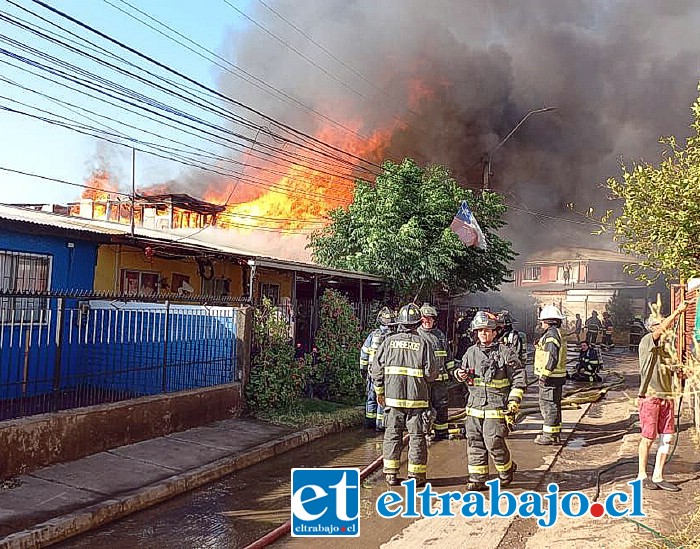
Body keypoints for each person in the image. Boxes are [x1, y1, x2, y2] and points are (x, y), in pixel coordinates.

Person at [454, 311, 526, 491]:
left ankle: (506, 470)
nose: (483, 334)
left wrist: (514, 402)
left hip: (496, 407)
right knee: (474, 442)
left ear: (495, 332)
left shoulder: (506, 353)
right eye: (479, 331)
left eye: (487, 330)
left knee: (493, 441)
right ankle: (478, 479)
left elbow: (519, 377)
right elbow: (461, 371)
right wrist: (459, 374)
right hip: (474, 407)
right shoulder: (471, 352)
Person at [374, 303, 437, 486]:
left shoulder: (388, 342)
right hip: (417, 400)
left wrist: (380, 391)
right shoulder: (424, 343)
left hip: (392, 400)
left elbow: (376, 370)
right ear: (418, 323)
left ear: (400, 322)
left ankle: (391, 474)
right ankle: (416, 476)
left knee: (392, 434)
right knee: (417, 437)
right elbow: (431, 373)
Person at [636, 299, 690, 492]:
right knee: (648, 437)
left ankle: (658, 475)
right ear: (653, 327)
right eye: (661, 324)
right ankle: (642, 475)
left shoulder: (667, 350)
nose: (665, 328)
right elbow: (660, 332)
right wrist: (677, 312)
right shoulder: (647, 341)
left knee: (666, 438)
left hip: (667, 398)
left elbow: (674, 369)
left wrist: (683, 371)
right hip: (650, 398)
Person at [418, 303, 456, 441]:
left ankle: (441, 432)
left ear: (434, 320)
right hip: (424, 381)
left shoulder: (440, 335)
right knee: (424, 407)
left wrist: (454, 372)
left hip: (440, 381)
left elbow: (449, 358)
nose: (427, 321)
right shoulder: (417, 335)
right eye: (424, 318)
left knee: (442, 406)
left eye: (430, 318)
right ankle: (424, 433)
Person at [534, 305, 567, 445]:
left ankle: (548, 436)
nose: (541, 323)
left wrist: (544, 375)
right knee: (554, 405)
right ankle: (554, 433)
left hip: (550, 377)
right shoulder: (555, 333)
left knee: (548, 405)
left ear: (548, 321)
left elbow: (551, 356)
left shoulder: (551, 335)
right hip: (556, 377)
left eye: (542, 321)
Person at [359, 307, 395, 431]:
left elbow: (364, 353)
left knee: (371, 396)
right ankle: (380, 425)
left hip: (372, 373)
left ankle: (369, 422)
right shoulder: (393, 338)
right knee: (382, 398)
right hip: (386, 375)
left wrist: (363, 369)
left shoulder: (373, 335)